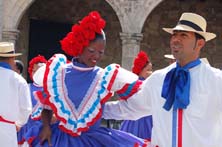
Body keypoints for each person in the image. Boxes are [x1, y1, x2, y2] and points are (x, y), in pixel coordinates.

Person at [30, 11, 149, 147]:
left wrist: (107, 109)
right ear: (80, 46)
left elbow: (137, 100)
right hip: (60, 139)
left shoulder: (105, 76)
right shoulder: (58, 73)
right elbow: (47, 106)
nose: (96, 56)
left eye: (101, 52)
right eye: (91, 51)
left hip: (94, 140)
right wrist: (46, 127)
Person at [103, 12, 222, 147]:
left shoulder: (216, 80)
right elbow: (131, 108)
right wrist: (95, 111)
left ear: (200, 43)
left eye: (183, 35)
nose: (176, 39)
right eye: (174, 35)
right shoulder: (158, 79)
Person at [0, 42, 32, 147]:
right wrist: (19, 123)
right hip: (6, 130)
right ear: (12, 58)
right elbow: (26, 109)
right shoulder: (19, 80)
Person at [120, 51, 153, 140]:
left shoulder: (134, 83)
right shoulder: (142, 84)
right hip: (143, 119)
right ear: (141, 70)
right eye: (148, 70)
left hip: (135, 118)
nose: (150, 72)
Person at [17, 55, 47, 146]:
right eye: (34, 71)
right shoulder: (26, 86)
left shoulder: (50, 89)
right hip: (25, 127)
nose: (36, 73)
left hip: (41, 128)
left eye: (39, 71)